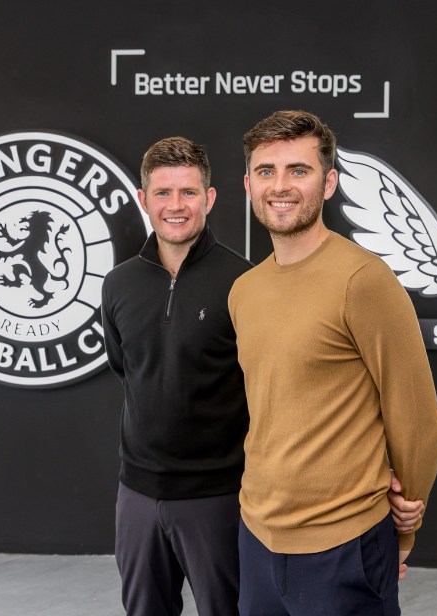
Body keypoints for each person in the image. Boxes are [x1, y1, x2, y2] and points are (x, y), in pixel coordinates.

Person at [229, 110, 437, 615]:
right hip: (257, 535)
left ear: (329, 184)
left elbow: (417, 418)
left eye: (298, 171)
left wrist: (406, 525)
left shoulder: (362, 281)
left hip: (344, 543)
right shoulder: (244, 290)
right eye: (266, 171)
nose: (280, 186)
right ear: (247, 184)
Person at [101, 137, 251, 616]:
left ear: (209, 198)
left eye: (188, 192)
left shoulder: (244, 282)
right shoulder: (118, 284)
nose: (176, 206)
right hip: (138, 494)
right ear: (143, 200)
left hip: (220, 496)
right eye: (163, 193)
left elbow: (261, 385)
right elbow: (126, 366)